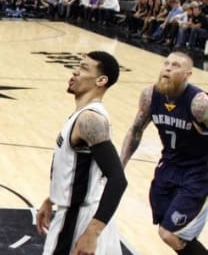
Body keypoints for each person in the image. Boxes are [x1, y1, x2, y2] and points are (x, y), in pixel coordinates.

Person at [36, 51, 127, 255]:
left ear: (101, 80)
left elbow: (118, 179)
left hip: (79, 220)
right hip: (78, 212)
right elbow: (74, 167)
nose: (76, 72)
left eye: (84, 68)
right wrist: (52, 198)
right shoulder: (82, 116)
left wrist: (92, 233)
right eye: (78, 66)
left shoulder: (89, 120)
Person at [121, 52, 208, 254]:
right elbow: (136, 129)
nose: (168, 68)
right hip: (168, 166)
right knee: (169, 227)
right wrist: (120, 165)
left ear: (188, 74)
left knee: (169, 233)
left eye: (175, 65)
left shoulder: (199, 103)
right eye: (166, 63)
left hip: (198, 171)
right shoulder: (150, 96)